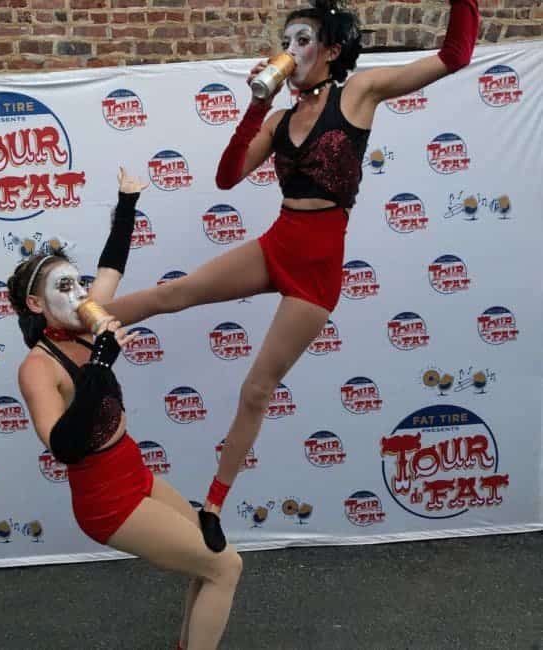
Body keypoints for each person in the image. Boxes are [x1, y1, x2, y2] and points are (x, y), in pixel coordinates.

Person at [101, 0, 480, 553]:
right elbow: (228, 177)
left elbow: (455, 55)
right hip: (278, 242)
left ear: (331, 50)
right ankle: (76, 323)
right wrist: (258, 105)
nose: (292, 50)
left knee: (256, 388)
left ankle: (213, 504)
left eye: (304, 40)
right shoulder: (279, 120)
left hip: (318, 270)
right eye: (288, 39)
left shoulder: (359, 94)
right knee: (174, 294)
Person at [7, 168, 242, 650]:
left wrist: (127, 201)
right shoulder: (37, 367)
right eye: (64, 288)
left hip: (136, 472)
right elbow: (65, 447)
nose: (81, 296)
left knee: (211, 555)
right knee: (226, 567)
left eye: (79, 284)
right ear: (35, 303)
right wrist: (98, 361)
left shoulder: (83, 323)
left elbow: (112, 263)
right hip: (105, 501)